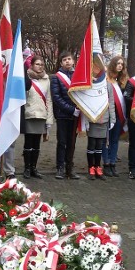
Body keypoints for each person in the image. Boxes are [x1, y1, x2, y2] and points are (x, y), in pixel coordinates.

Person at [22, 55, 53, 179]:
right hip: (29, 114)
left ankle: (34, 167)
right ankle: (27, 168)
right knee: (28, 143)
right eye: (37, 64)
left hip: (41, 115)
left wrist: (49, 120)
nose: (40, 66)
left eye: (41, 64)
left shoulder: (46, 79)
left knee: (36, 144)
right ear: (32, 65)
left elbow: (49, 100)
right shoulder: (26, 77)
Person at [51, 51, 81, 179]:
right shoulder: (56, 77)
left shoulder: (78, 76)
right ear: (61, 63)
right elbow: (57, 98)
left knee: (72, 142)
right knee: (62, 142)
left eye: (69, 59)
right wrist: (71, 109)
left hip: (75, 115)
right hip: (63, 114)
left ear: (73, 61)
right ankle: (60, 167)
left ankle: (70, 167)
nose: (67, 61)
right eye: (64, 60)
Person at [83, 68, 115, 180]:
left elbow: (111, 102)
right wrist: (86, 120)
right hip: (92, 118)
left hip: (104, 119)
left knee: (100, 146)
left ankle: (98, 167)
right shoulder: (90, 84)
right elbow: (86, 102)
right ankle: (90, 167)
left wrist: (113, 119)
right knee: (91, 145)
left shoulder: (108, 85)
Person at [102, 55, 129, 177]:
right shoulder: (106, 79)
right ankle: (106, 164)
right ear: (113, 64)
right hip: (107, 115)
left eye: (122, 64)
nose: (120, 66)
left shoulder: (122, 81)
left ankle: (113, 163)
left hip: (119, 115)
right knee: (106, 140)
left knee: (114, 140)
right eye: (118, 63)